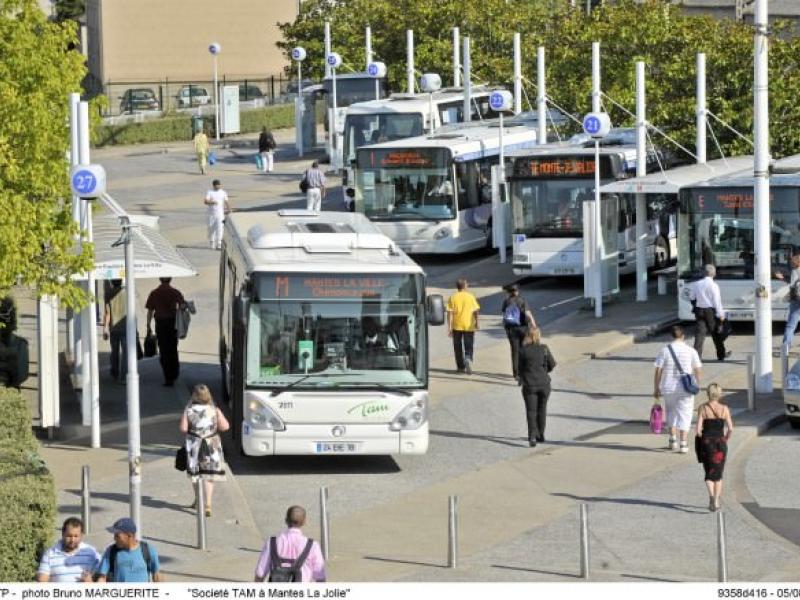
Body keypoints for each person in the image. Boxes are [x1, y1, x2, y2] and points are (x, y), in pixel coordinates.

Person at [180, 384, 229, 518]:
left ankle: (197, 500)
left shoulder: (189, 410)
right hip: (211, 445)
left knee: (195, 474)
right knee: (209, 476)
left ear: (194, 396)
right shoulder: (214, 410)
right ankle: (207, 504)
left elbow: (183, 429)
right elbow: (225, 426)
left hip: (194, 445)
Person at [653, 325, 703, 454]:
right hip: (686, 388)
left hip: (668, 387)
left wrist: (656, 388)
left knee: (671, 413)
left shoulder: (664, 350)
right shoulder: (691, 351)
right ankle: (684, 443)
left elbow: (658, 370)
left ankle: (672, 440)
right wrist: (697, 384)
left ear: (671, 336)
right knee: (685, 415)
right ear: (683, 336)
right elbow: (698, 369)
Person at [254, 506, 326, 583]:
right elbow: (320, 576)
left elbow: (260, 574)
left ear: (286, 520)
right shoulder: (313, 546)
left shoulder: (272, 543)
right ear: (304, 522)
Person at [696, 383, 734, 512]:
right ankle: (716, 501)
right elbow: (730, 428)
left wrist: (702, 438)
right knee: (718, 474)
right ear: (719, 394)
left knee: (709, 472)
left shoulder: (703, 408)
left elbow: (698, 430)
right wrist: (725, 438)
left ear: (708, 393)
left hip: (707, 443)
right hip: (720, 443)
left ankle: (711, 496)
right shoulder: (724, 409)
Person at [518, 327, 556, 447]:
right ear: (538, 336)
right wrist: (545, 371)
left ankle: (532, 436)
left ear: (528, 336)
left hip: (529, 385)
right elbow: (552, 364)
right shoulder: (544, 348)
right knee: (542, 410)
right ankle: (541, 434)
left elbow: (520, 369)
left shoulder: (523, 351)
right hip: (544, 384)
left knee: (531, 411)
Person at [145, 277, 186, 386]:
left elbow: (150, 311)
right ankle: (174, 372)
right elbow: (182, 306)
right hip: (173, 324)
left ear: (160, 279)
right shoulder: (175, 292)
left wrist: (148, 325)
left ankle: (168, 377)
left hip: (160, 324)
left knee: (163, 350)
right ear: (170, 279)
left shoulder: (154, 293)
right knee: (172, 348)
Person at [96, 518, 162, 583]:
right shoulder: (111, 551)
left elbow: (156, 575)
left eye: (117, 536)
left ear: (129, 535)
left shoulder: (148, 550)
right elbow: (102, 577)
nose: (114, 538)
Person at [36, 517, 100, 582]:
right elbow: (42, 580)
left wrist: (90, 583)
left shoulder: (91, 552)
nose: (72, 540)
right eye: (69, 536)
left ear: (81, 535)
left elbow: (101, 577)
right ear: (63, 534)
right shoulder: (50, 553)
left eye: (76, 536)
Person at [690, 264, 730, 361]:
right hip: (710, 311)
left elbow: (691, 297)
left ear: (704, 273)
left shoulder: (697, 284)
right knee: (716, 333)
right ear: (714, 274)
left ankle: (696, 357)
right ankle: (721, 354)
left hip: (699, 310)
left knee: (700, 334)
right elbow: (717, 302)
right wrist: (721, 315)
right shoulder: (714, 286)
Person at [501, 284, 536, 383]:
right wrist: (533, 324)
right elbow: (528, 313)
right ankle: (523, 370)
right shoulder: (522, 300)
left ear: (509, 292)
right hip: (523, 328)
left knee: (514, 351)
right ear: (517, 291)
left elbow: (504, 315)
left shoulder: (506, 301)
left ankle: (516, 374)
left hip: (511, 329)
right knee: (523, 349)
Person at [446, 278, 480, 374]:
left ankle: (460, 367)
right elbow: (476, 310)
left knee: (457, 346)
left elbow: (450, 314)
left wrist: (449, 328)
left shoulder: (453, 297)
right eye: (467, 284)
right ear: (464, 286)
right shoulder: (470, 296)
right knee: (468, 344)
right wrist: (477, 322)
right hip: (469, 325)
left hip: (456, 326)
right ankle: (468, 358)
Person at [102, 279, 127, 383]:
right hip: (126, 327)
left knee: (114, 352)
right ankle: (124, 376)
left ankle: (115, 373)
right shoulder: (126, 292)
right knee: (126, 353)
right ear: (121, 282)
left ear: (112, 283)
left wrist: (105, 328)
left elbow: (107, 314)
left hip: (114, 328)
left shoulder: (109, 294)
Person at [779, 253, 800, 351]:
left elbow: (792, 284)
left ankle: (786, 348)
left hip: (796, 300)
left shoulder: (794, 271)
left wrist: (782, 278)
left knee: (790, 326)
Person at [204, 179, 230, 250]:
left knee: (220, 228)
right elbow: (205, 201)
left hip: (220, 214)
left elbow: (226, 201)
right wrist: (212, 202)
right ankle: (212, 242)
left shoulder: (223, 192)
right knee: (211, 229)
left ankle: (219, 244)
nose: (218, 186)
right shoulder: (210, 192)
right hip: (211, 214)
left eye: (219, 185)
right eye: (216, 185)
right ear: (213, 186)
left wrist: (229, 209)